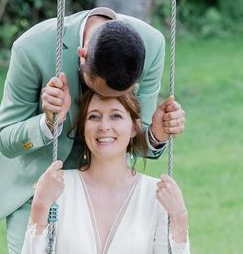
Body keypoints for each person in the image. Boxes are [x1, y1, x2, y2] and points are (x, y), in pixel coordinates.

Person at [0, 7, 186, 253]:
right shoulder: (32, 48)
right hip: (39, 189)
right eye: (94, 89)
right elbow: (5, 139)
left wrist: (155, 135)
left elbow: (132, 134)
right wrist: (48, 123)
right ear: (81, 55)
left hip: (108, 190)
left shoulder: (151, 44)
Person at [21, 90, 190, 254]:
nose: (104, 126)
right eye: (94, 116)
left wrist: (179, 217)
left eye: (116, 116)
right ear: (83, 128)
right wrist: (40, 206)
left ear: (134, 128)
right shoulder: (57, 186)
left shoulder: (157, 194)